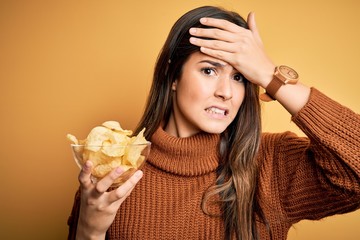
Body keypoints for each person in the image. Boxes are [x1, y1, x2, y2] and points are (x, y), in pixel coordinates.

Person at [67, 5, 360, 240]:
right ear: (172, 76)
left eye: (240, 77)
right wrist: (89, 232)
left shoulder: (272, 164)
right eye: (209, 70)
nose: (227, 92)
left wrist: (271, 77)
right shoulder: (114, 169)